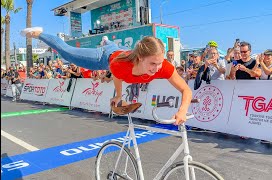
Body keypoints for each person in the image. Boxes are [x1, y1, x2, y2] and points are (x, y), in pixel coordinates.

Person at [21, 27, 192, 125]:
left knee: (114, 48)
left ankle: (107, 41)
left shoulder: (165, 67)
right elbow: (118, 77)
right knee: (68, 54)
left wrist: (182, 111)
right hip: (104, 58)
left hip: (118, 51)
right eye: (152, 64)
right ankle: (38, 33)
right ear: (140, 58)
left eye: (159, 62)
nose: (157, 69)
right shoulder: (121, 66)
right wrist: (118, 95)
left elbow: (185, 89)